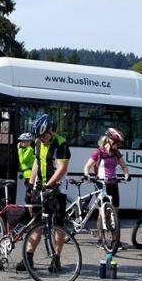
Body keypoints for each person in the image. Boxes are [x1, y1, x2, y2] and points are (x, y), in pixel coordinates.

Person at [15, 114, 71, 272]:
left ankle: (56, 258)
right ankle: (29, 257)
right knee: (36, 223)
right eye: (39, 137)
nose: (41, 139)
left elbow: (62, 169)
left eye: (43, 136)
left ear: (50, 131)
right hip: (41, 187)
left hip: (58, 189)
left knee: (58, 226)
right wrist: (32, 184)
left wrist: (49, 185)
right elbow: (36, 163)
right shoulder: (38, 143)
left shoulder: (61, 144)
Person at [83, 128, 130, 249]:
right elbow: (87, 166)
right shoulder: (98, 152)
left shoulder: (116, 153)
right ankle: (100, 239)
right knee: (102, 212)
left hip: (113, 183)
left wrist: (126, 174)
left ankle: (115, 240)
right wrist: (87, 174)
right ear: (109, 140)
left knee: (115, 212)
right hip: (101, 183)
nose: (118, 146)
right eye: (117, 143)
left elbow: (124, 166)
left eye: (119, 144)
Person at [17, 132, 35, 204]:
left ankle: (33, 213)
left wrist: (19, 149)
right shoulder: (25, 149)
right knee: (28, 198)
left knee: (28, 198)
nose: (21, 142)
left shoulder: (30, 149)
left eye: (23, 141)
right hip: (27, 175)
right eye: (21, 141)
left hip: (29, 175)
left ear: (29, 141)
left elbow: (22, 160)